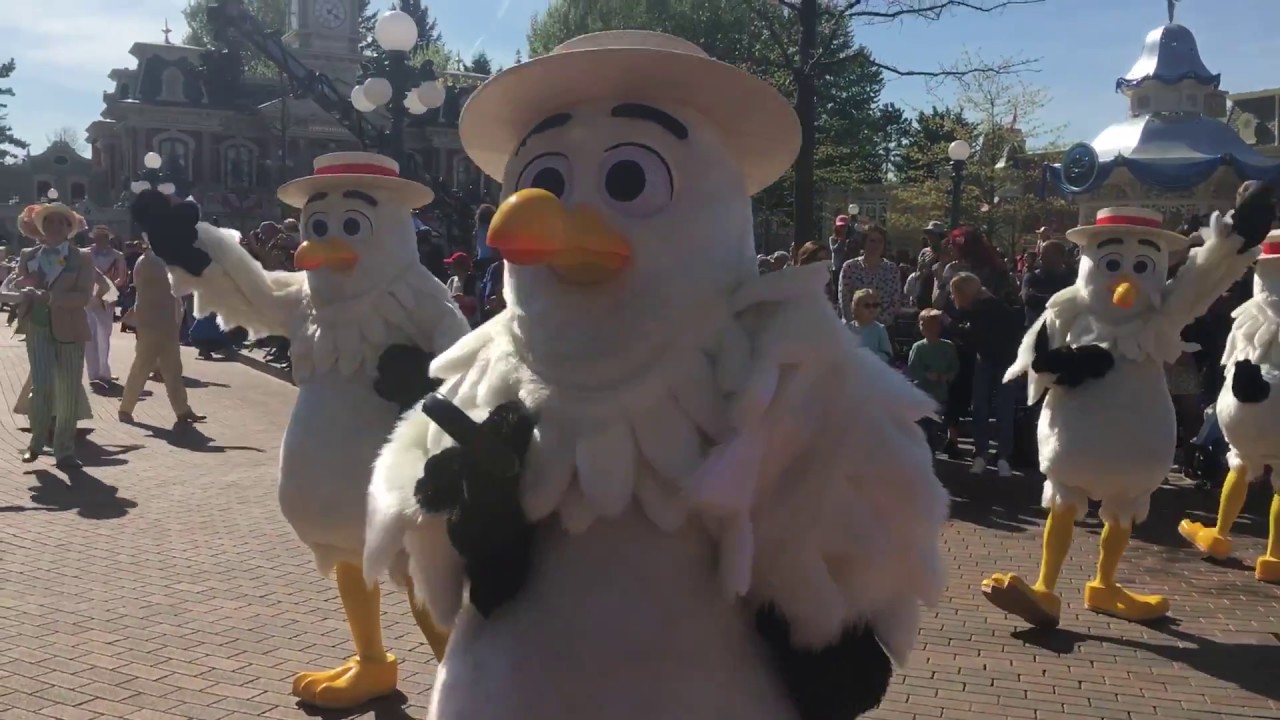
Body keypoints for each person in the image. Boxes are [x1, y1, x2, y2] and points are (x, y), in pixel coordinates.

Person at [12, 202, 101, 468]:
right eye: (49, 222)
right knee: (41, 388)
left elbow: (84, 296)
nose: (54, 227)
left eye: (61, 223)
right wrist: (22, 286)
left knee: (68, 391)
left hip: (70, 330)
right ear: (41, 226)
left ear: (69, 228)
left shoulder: (82, 258)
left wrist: (51, 297)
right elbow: (19, 283)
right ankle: (36, 443)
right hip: (37, 327)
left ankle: (64, 450)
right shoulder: (29, 254)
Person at [118, 240, 205, 424]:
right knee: (142, 365)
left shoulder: (158, 259)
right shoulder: (151, 261)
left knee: (173, 368)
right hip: (152, 322)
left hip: (166, 322)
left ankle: (182, 410)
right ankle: (125, 408)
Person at [950, 271, 1021, 477]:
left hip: (994, 361)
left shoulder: (982, 308)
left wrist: (952, 327)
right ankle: (1002, 457)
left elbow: (974, 338)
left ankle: (983, 453)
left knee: (984, 407)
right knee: (1002, 409)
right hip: (1003, 361)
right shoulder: (996, 305)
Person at [907, 308, 959, 450]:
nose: (926, 328)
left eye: (931, 324)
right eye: (923, 324)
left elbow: (954, 367)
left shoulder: (948, 347)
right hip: (922, 393)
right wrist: (925, 375)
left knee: (936, 425)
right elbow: (912, 369)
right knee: (924, 425)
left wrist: (948, 376)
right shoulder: (918, 348)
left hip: (940, 394)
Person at [85, 225, 127, 386]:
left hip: (107, 299)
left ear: (108, 238)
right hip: (88, 298)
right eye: (97, 236)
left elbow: (122, 277)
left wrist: (107, 290)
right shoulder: (85, 254)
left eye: (103, 236)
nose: (100, 239)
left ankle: (104, 371)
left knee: (104, 335)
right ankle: (93, 373)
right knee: (89, 336)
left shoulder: (118, 256)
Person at [838, 223, 901, 325]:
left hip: (883, 328)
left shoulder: (892, 269)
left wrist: (877, 326)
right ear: (864, 243)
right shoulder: (850, 267)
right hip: (854, 328)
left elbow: (895, 301)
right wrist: (857, 323)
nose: (876, 245)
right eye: (872, 241)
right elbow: (844, 300)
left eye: (880, 241)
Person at [1021, 239, 1073, 326]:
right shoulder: (1032, 277)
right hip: (1037, 330)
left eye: (1044, 255)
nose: (1040, 258)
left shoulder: (1070, 278)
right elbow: (1028, 298)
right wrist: (1059, 300)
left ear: (1059, 257)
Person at [846, 288, 892, 363]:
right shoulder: (848, 329)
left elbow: (887, 354)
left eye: (875, 305)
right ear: (856, 308)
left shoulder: (880, 329)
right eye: (867, 306)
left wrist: (871, 357)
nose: (871, 309)